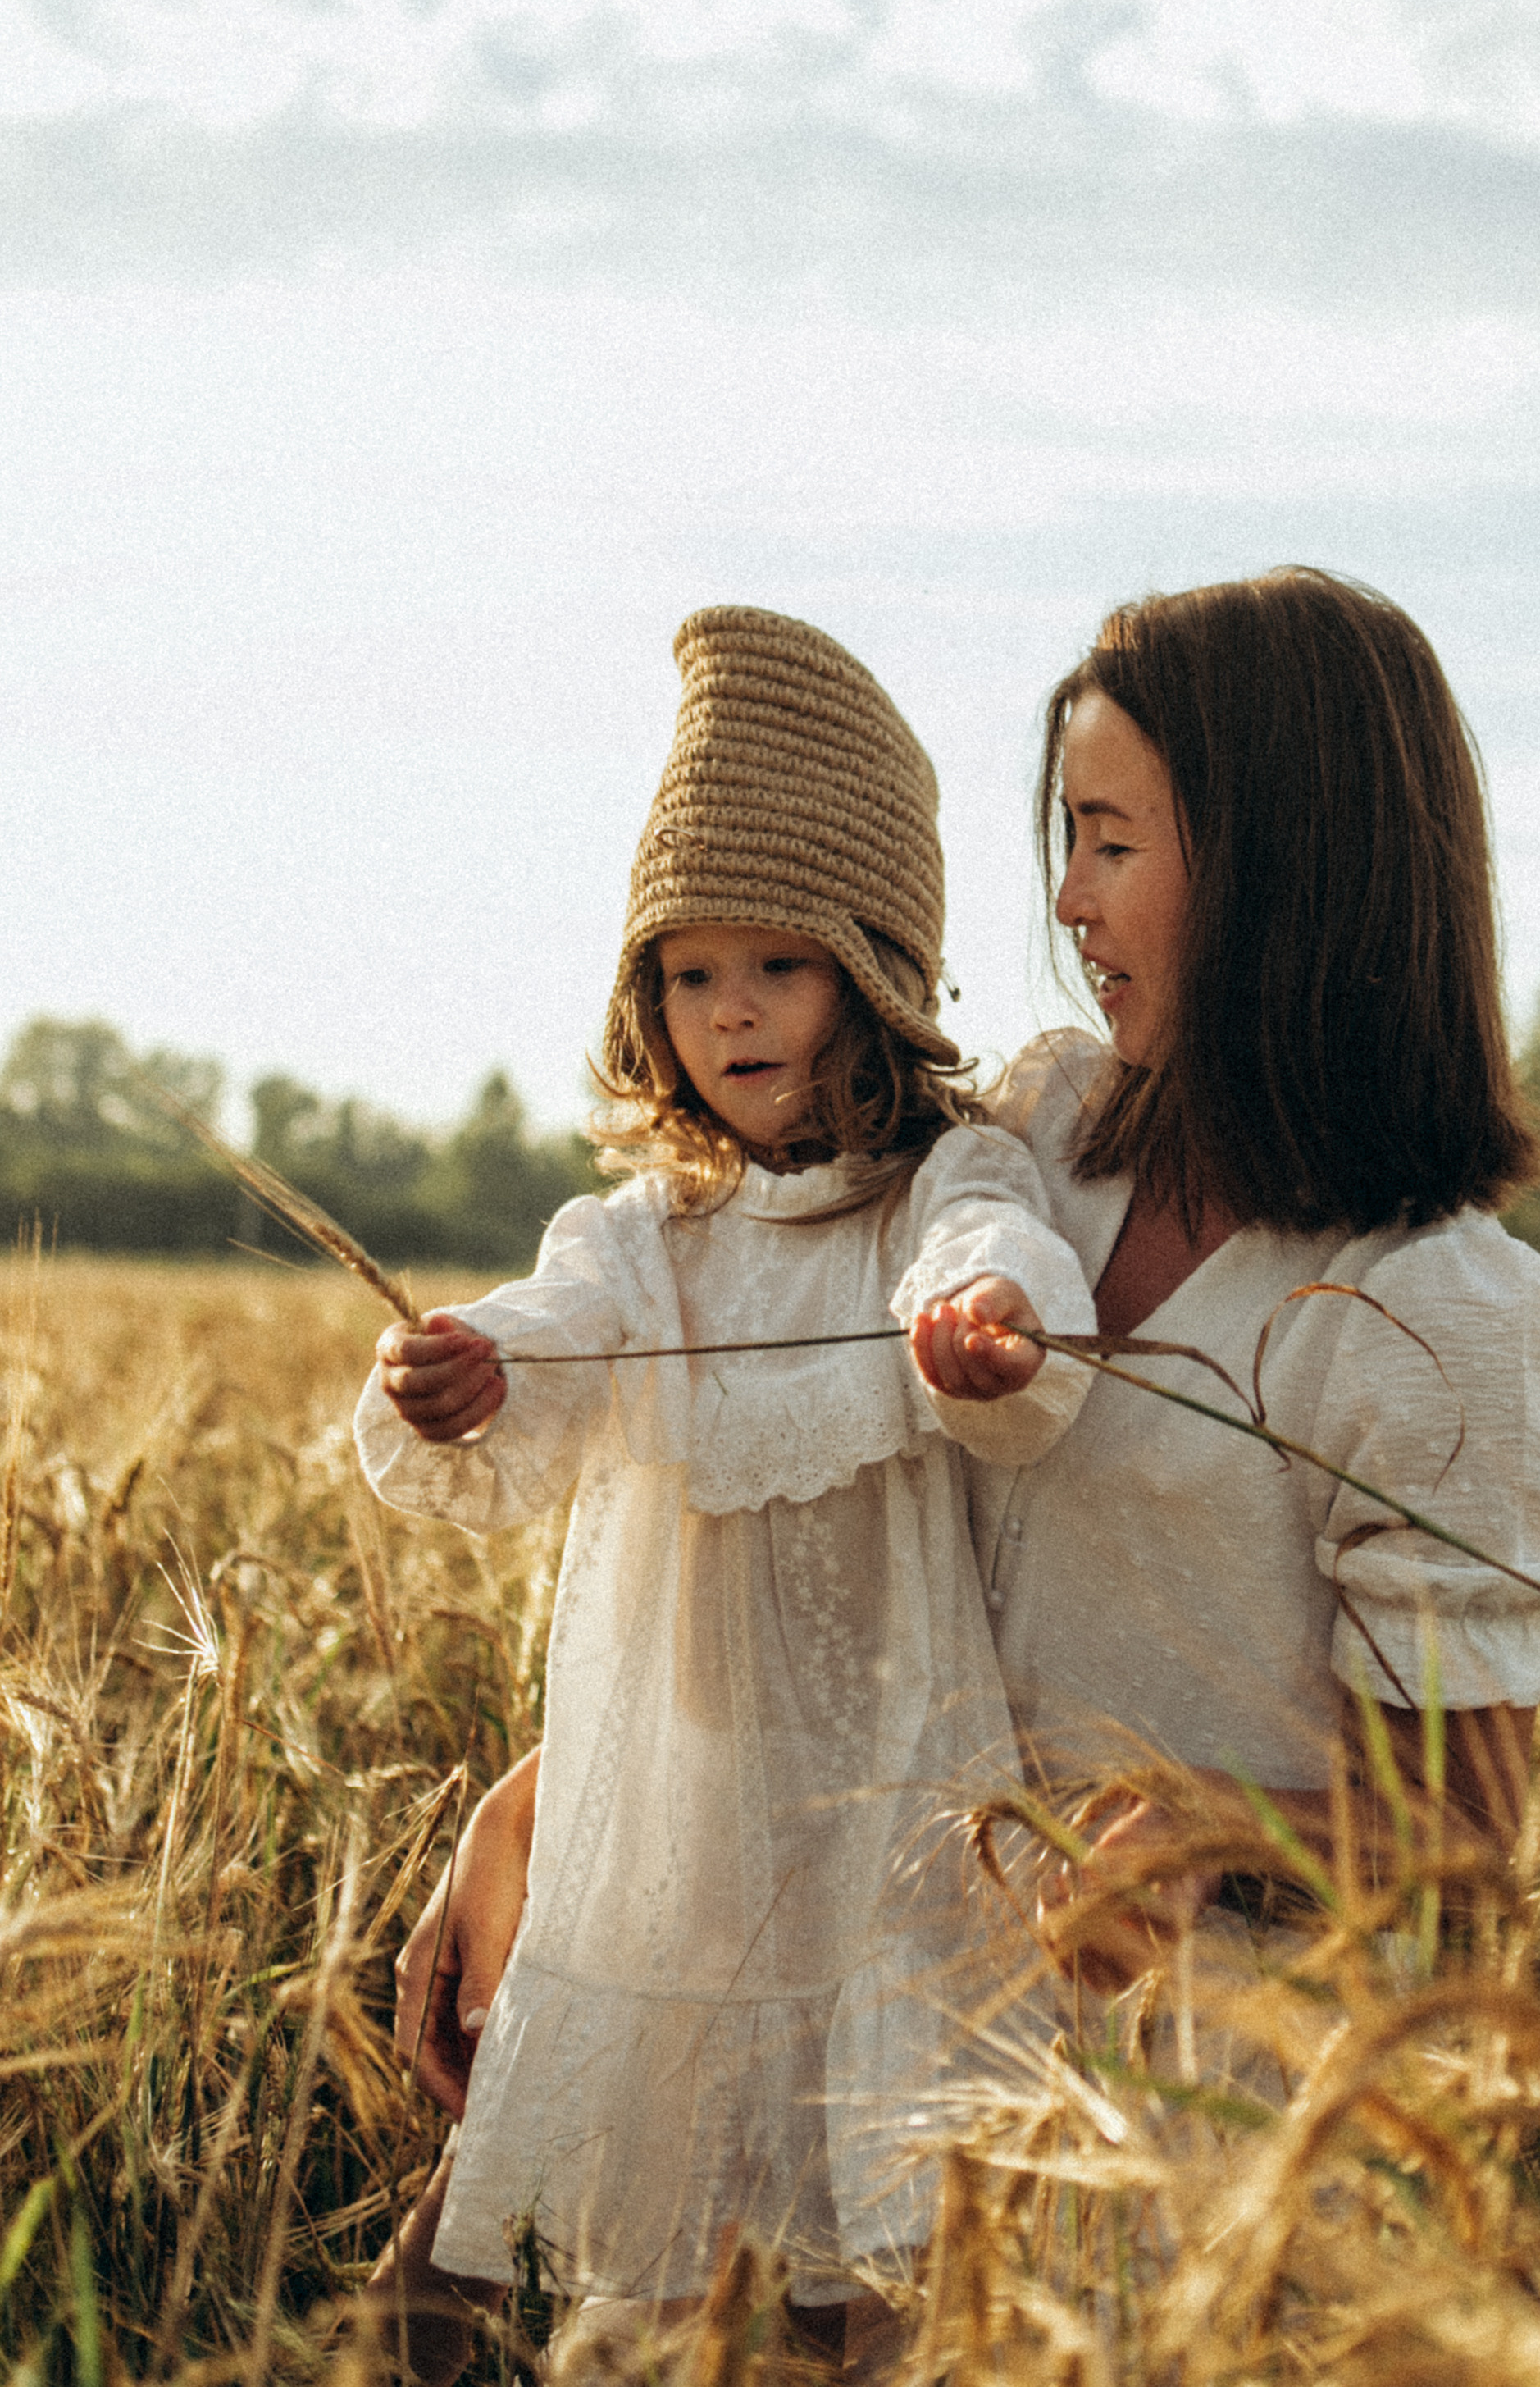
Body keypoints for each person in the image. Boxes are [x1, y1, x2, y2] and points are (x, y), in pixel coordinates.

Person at [386, 568, 1540, 2232]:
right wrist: (541, 1804)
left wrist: (1191, 1831)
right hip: (903, 2065)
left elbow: (1466, 1832)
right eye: (1067, 837)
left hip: (1217, 2147)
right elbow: (832, 1552)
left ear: (1279, 864)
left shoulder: (1437, 1309)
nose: (1070, 899)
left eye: (1114, 839)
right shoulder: (1037, 1142)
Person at [353, 606, 1096, 2366]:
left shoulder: (940, 1192)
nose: (733, 1008)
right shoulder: (642, 1242)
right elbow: (543, 1340)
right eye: (691, 972)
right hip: (673, 1838)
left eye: (782, 964)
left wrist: (993, 1325)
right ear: (646, 998)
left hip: (891, 1832)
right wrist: (464, 1376)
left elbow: (995, 1255)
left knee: (877, 2254)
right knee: (661, 2241)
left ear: (877, 973)